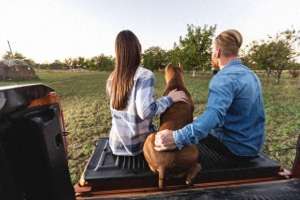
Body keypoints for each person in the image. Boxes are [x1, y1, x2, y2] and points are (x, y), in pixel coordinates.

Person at [155, 29, 265, 159]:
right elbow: (236, 112)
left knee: (187, 141)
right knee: (197, 124)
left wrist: (176, 138)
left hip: (233, 149)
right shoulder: (252, 75)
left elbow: (214, 116)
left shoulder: (223, 77)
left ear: (217, 52)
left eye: (212, 51)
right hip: (253, 146)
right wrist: (199, 120)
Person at [106, 30, 188, 156]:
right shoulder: (144, 75)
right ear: (137, 49)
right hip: (139, 147)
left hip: (116, 145)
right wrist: (169, 99)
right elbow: (146, 111)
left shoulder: (112, 77)